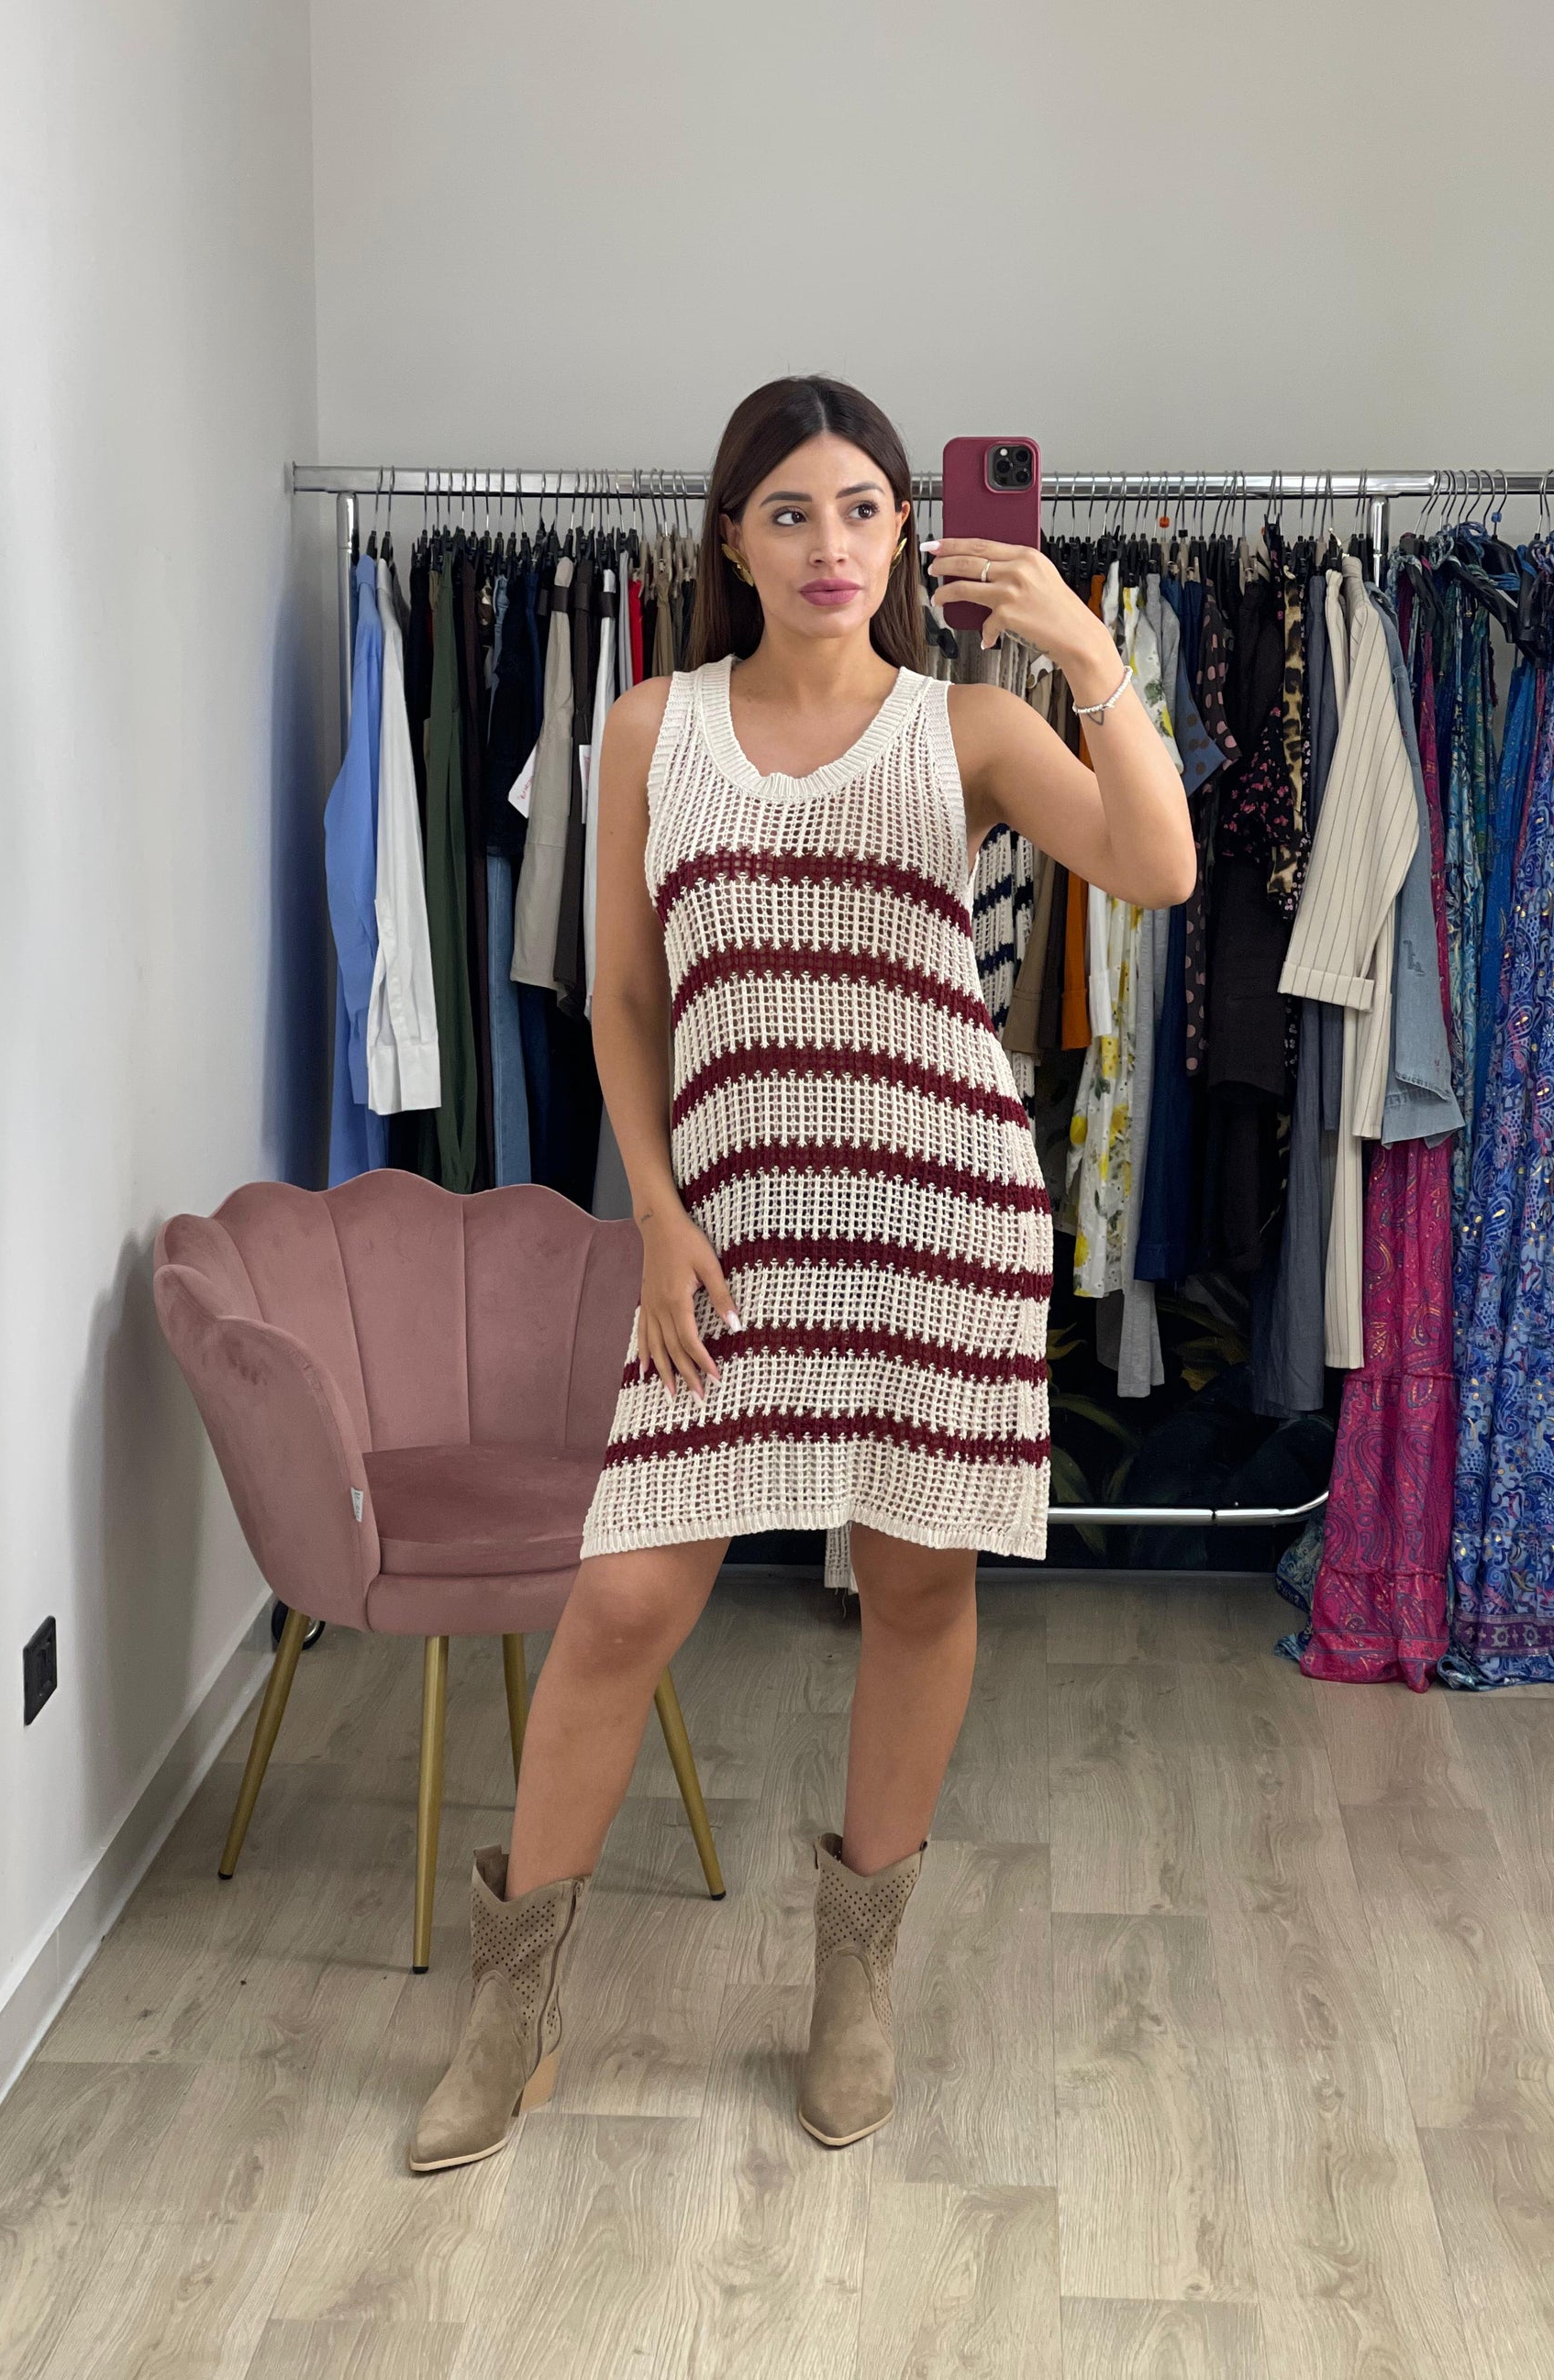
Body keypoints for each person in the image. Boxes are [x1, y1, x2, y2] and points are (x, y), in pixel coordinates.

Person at [406, 376, 1194, 2174]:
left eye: (859, 508)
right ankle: (513, 2007)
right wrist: (656, 1213)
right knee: (623, 1601)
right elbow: (620, 995)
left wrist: (1083, 650)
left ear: (905, 530)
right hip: (730, 1229)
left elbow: (1153, 865)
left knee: (914, 1587)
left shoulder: (965, 726)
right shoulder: (650, 724)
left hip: (940, 1218)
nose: (828, 544)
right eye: (788, 511)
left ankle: (855, 1980)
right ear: (731, 539)